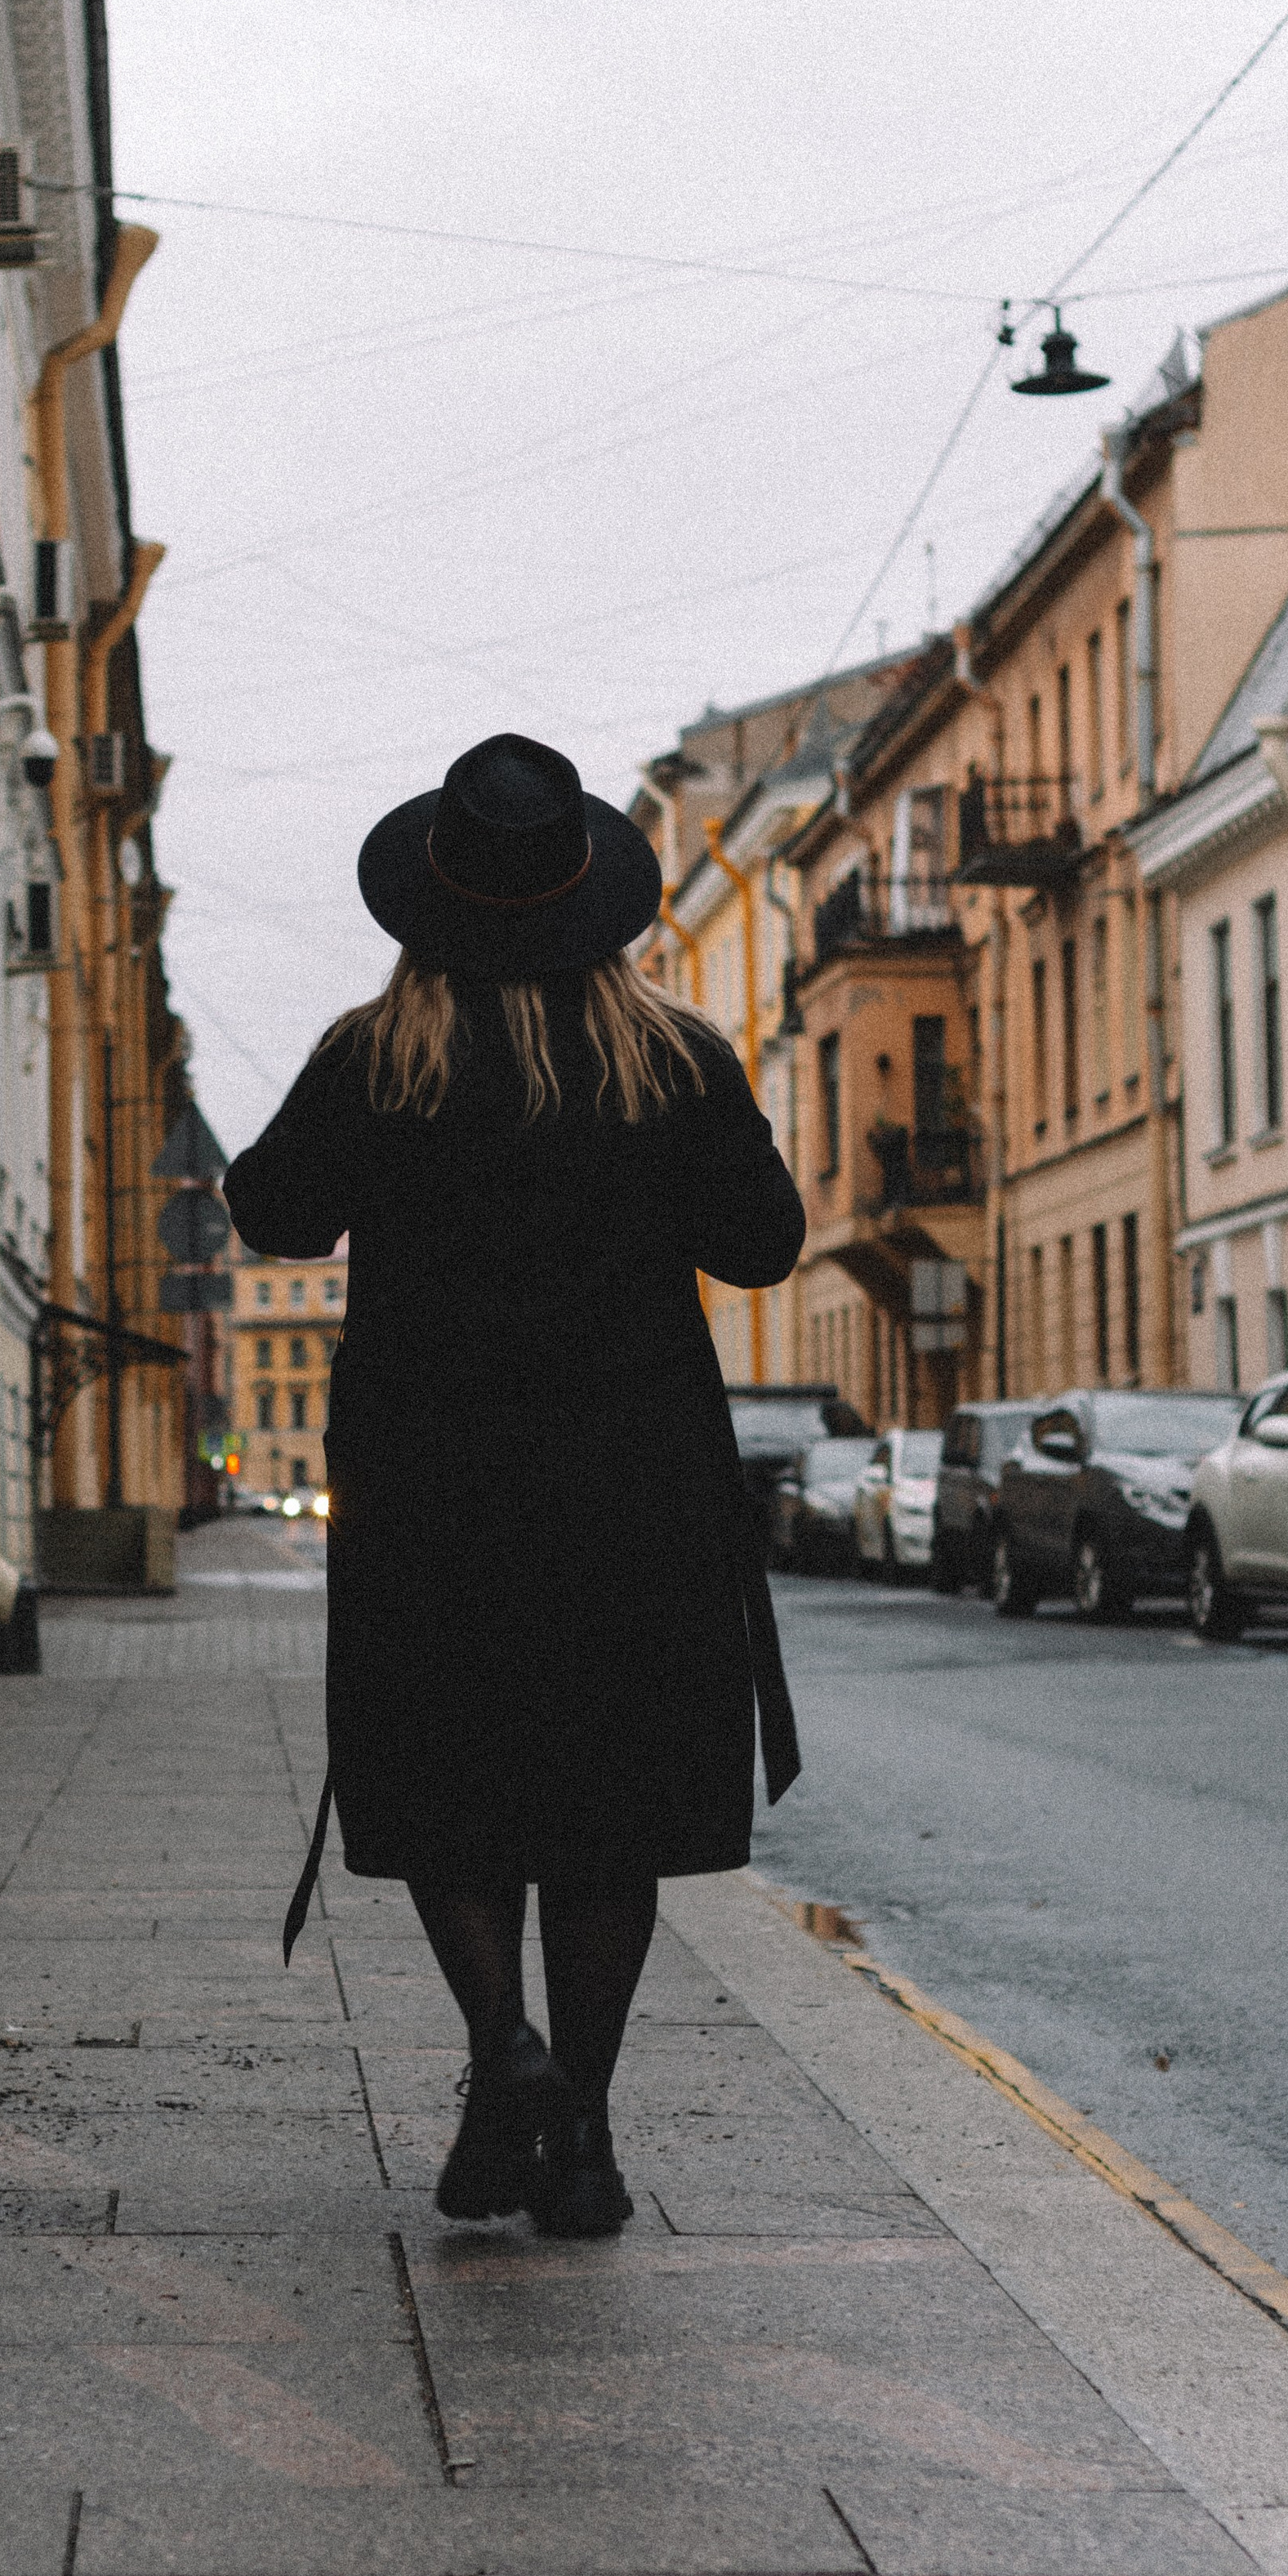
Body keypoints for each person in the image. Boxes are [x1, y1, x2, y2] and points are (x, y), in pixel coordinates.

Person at [224, 733, 805, 2237]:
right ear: (589, 898)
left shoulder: (377, 1057)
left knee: (455, 1790)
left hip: (435, 1486)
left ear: (432, 900)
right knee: (607, 1813)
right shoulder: (675, 1058)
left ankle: (503, 2058)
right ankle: (588, 2146)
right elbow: (764, 1244)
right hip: (635, 1490)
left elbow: (271, 1213)